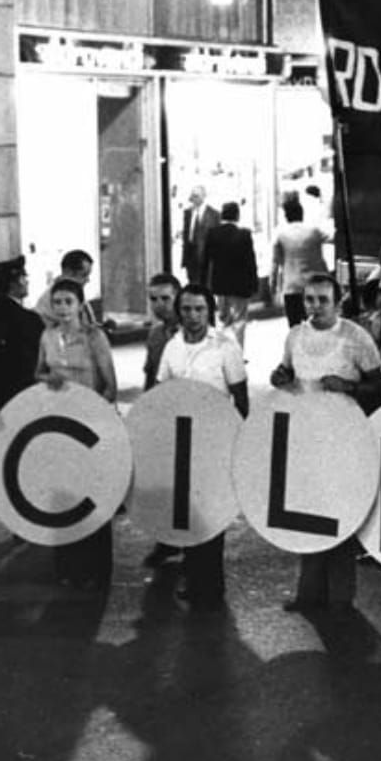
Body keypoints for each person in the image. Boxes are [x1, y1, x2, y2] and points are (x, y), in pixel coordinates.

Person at [273, 274, 381, 616]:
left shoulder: (355, 336)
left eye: (323, 299)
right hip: (306, 435)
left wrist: (349, 387)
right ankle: (308, 594)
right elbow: (284, 371)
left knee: (341, 514)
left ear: (338, 302)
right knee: (307, 514)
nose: (315, 306)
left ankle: (341, 598)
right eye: (309, 299)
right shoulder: (295, 336)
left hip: (345, 436)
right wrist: (279, 376)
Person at [155, 284, 249, 612]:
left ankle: (211, 585)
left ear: (210, 312)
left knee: (211, 513)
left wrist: (236, 440)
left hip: (214, 439)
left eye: (199, 309)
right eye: (186, 309)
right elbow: (161, 393)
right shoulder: (172, 347)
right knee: (188, 513)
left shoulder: (225, 346)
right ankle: (194, 580)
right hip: (182, 441)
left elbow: (241, 399)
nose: (193, 316)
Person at [35, 278, 117, 592]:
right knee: (63, 497)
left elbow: (110, 386)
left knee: (92, 499)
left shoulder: (94, 337)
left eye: (68, 301)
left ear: (80, 304)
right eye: (57, 302)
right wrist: (50, 380)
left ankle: (97, 569)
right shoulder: (47, 335)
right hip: (59, 425)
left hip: (91, 427)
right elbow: (38, 372)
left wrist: (93, 419)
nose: (62, 308)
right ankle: (68, 567)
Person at [139, 272, 185, 571]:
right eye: (153, 299)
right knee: (163, 482)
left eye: (166, 298)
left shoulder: (192, 333)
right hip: (161, 417)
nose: (159, 305)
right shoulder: (155, 335)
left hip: (188, 416)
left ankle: (191, 547)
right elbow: (149, 375)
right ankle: (166, 540)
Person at [0, 256, 44, 422]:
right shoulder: (29, 319)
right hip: (23, 392)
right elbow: (38, 358)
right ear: (13, 283)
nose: (27, 282)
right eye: (24, 278)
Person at [202, 201, 257, 349]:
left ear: (222, 215)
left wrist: (203, 284)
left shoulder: (212, 233)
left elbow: (206, 261)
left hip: (220, 285)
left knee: (222, 319)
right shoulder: (244, 234)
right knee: (239, 320)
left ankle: (222, 350)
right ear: (237, 215)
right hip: (241, 286)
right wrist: (254, 284)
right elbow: (250, 262)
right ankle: (237, 352)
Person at [273, 197, 329, 327]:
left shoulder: (280, 235)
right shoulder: (314, 231)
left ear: (286, 216)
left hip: (291, 288)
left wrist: (274, 287)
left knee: (295, 326)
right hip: (314, 286)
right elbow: (331, 238)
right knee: (316, 325)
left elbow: (275, 263)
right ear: (302, 214)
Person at [35, 249, 96, 328]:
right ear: (69, 272)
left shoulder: (74, 293)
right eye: (84, 275)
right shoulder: (54, 298)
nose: (87, 280)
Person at [181, 185, 220, 285]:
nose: (193, 199)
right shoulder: (187, 213)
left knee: (205, 284)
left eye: (196, 196)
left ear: (203, 196)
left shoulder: (214, 214)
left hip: (206, 256)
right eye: (192, 196)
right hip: (190, 255)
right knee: (192, 284)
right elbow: (186, 234)